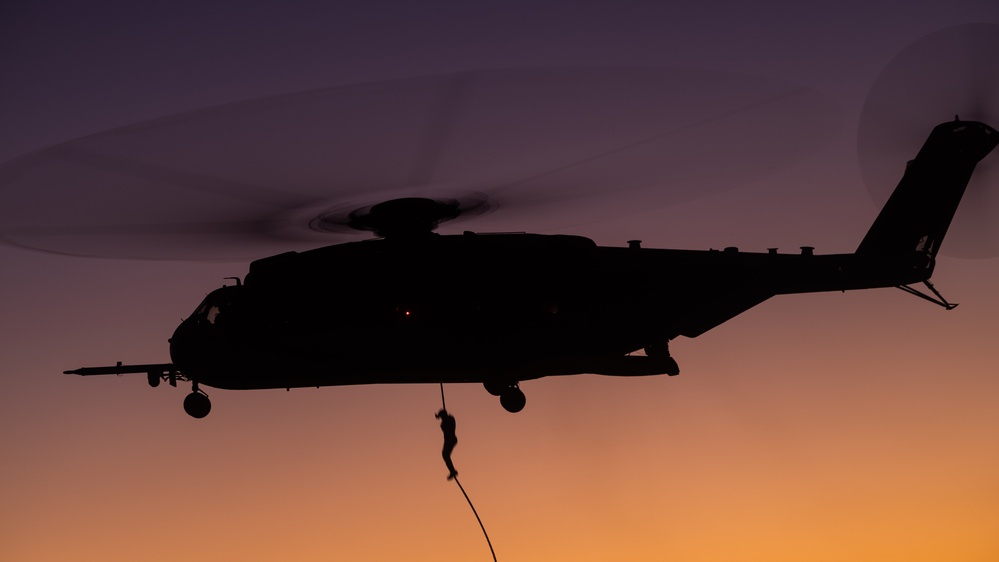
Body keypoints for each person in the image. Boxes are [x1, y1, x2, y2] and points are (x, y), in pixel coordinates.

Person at [435, 408, 458, 480]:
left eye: (441, 417)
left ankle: (452, 471)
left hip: (450, 440)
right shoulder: (446, 421)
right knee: (445, 455)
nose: (441, 419)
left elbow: (447, 428)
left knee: (445, 455)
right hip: (449, 440)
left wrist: (444, 421)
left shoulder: (449, 419)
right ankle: (452, 470)